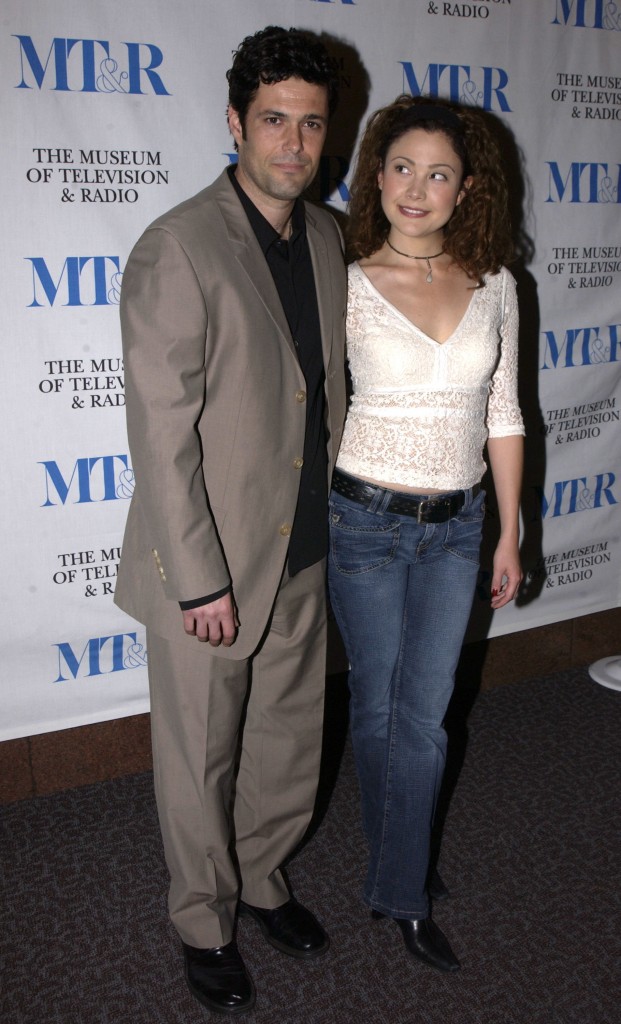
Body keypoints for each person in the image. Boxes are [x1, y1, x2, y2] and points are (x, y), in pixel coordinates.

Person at [114, 26, 346, 1015]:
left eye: (311, 124)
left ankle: (261, 878)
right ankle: (204, 918)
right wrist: (198, 577)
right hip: (208, 565)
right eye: (274, 121)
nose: (294, 143)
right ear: (235, 123)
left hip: (305, 547)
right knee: (200, 754)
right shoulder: (180, 245)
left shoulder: (332, 237)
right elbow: (160, 434)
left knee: (289, 740)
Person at [328, 96, 524, 973]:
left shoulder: (496, 285)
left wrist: (510, 535)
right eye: (401, 167)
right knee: (377, 708)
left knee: (422, 715)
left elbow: (505, 414)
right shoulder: (343, 278)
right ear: (377, 177)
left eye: (438, 173)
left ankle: (397, 880)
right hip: (363, 521)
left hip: (458, 527)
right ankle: (402, 866)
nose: (417, 187)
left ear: (465, 190)